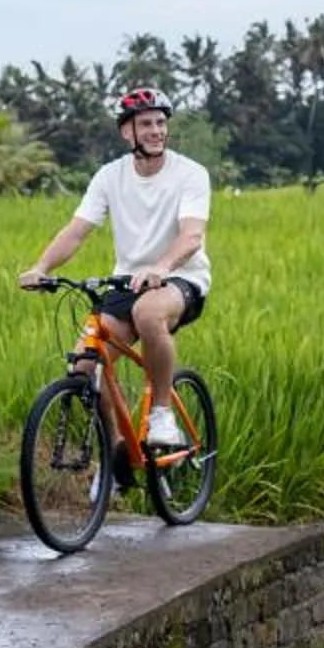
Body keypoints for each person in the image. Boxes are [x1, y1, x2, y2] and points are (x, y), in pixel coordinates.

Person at [19, 86, 213, 452]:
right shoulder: (110, 176)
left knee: (148, 313)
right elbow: (77, 231)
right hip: (129, 282)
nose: (156, 130)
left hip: (180, 279)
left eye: (160, 123)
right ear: (127, 131)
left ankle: (161, 413)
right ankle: (116, 452)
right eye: (146, 124)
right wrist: (41, 267)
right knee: (84, 366)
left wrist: (161, 268)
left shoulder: (190, 174)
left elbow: (191, 236)